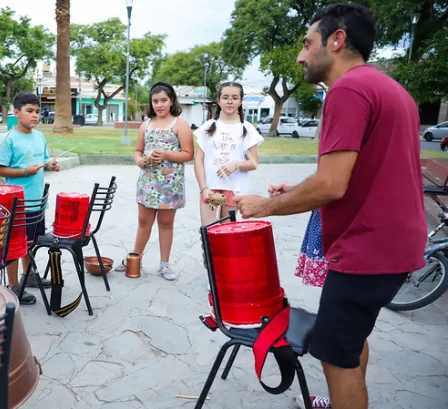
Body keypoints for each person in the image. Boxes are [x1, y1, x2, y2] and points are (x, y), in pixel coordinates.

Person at [234, 4, 426, 409]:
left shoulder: (348, 89)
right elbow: (361, 173)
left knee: (335, 357)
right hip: (395, 247)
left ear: (336, 40)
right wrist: (299, 187)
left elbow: (331, 185)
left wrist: (265, 206)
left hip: (368, 250)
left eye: (307, 44)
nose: (301, 56)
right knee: (350, 342)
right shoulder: (389, 88)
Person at [114, 82, 194, 280]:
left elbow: (188, 154)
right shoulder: (146, 125)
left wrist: (166, 154)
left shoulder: (180, 125)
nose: (159, 105)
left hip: (170, 184)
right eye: (155, 101)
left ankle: (164, 264)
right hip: (148, 182)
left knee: (166, 224)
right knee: (143, 222)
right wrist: (140, 160)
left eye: (163, 100)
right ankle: (135, 258)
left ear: (171, 101)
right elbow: (137, 150)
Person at [0, 92, 61, 305]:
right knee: (14, 244)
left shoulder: (39, 136)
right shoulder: (8, 139)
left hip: (36, 202)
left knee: (30, 242)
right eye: (29, 111)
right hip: (15, 204)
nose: (35, 116)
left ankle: (28, 274)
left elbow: (43, 159)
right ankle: (13, 285)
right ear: (16, 112)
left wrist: (50, 164)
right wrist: (24, 172)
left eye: (38, 112)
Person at [193, 81, 263, 227]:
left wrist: (236, 164)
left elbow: (254, 163)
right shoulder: (208, 127)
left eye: (235, 97)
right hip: (210, 188)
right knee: (208, 232)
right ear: (219, 101)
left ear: (241, 101)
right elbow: (198, 160)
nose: (230, 101)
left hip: (234, 188)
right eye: (225, 97)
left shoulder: (247, 129)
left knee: (226, 234)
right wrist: (204, 188)